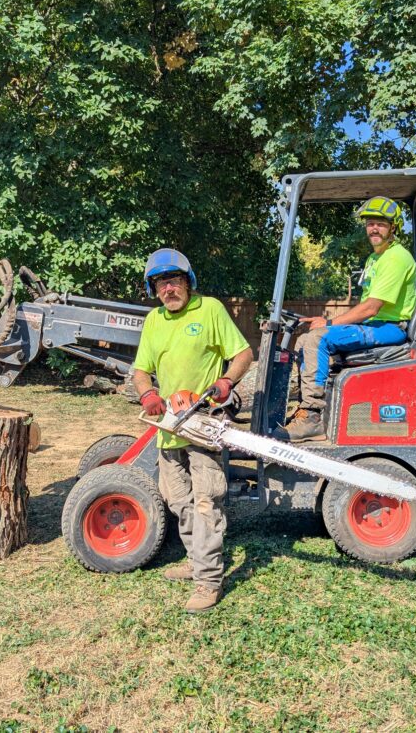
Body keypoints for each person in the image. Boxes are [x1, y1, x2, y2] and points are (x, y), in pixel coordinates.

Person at [131, 248, 253, 613]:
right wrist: (148, 393)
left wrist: (227, 381)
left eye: (174, 280)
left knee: (205, 501)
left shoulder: (210, 309)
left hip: (205, 424)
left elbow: (244, 353)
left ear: (188, 282)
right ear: (154, 289)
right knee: (177, 499)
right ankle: (196, 558)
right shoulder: (154, 320)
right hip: (169, 428)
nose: (169, 288)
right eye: (161, 283)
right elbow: (140, 371)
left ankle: (208, 580)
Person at [285, 196, 416, 442]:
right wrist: (330, 321)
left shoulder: (396, 258)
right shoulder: (375, 259)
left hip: (389, 328)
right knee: (305, 340)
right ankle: (307, 408)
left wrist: (329, 324)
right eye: (370, 223)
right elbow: (365, 308)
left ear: (394, 227)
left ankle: (313, 416)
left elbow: (371, 308)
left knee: (316, 340)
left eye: (381, 223)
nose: (374, 228)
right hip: (374, 324)